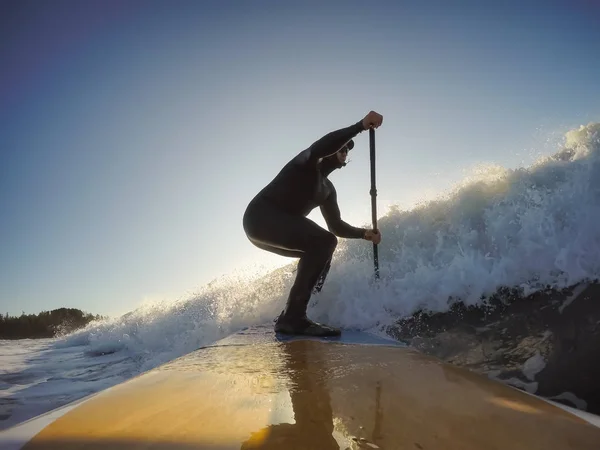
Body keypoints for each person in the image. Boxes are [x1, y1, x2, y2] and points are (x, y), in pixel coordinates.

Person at [242, 111, 384, 336]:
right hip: (260, 216)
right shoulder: (307, 163)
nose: (345, 150)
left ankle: (304, 310)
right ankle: (293, 318)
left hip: (270, 229)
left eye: (348, 149)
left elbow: (335, 226)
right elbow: (320, 147)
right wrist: (360, 126)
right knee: (323, 242)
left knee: (324, 249)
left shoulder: (328, 190)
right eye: (342, 146)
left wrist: (364, 233)